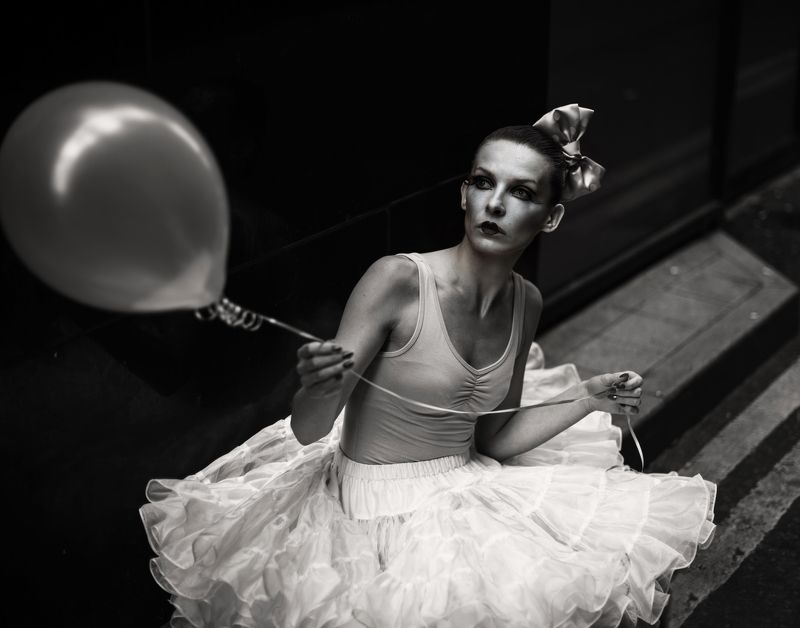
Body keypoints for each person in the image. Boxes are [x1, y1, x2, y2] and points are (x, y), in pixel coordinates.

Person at [141, 104, 716, 627]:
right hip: (366, 515)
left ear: (550, 217)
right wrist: (320, 384)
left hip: (462, 490)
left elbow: (492, 436)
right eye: (483, 183)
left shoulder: (526, 301)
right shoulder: (397, 280)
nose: (495, 204)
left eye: (521, 192)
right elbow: (309, 429)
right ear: (463, 194)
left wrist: (588, 398)